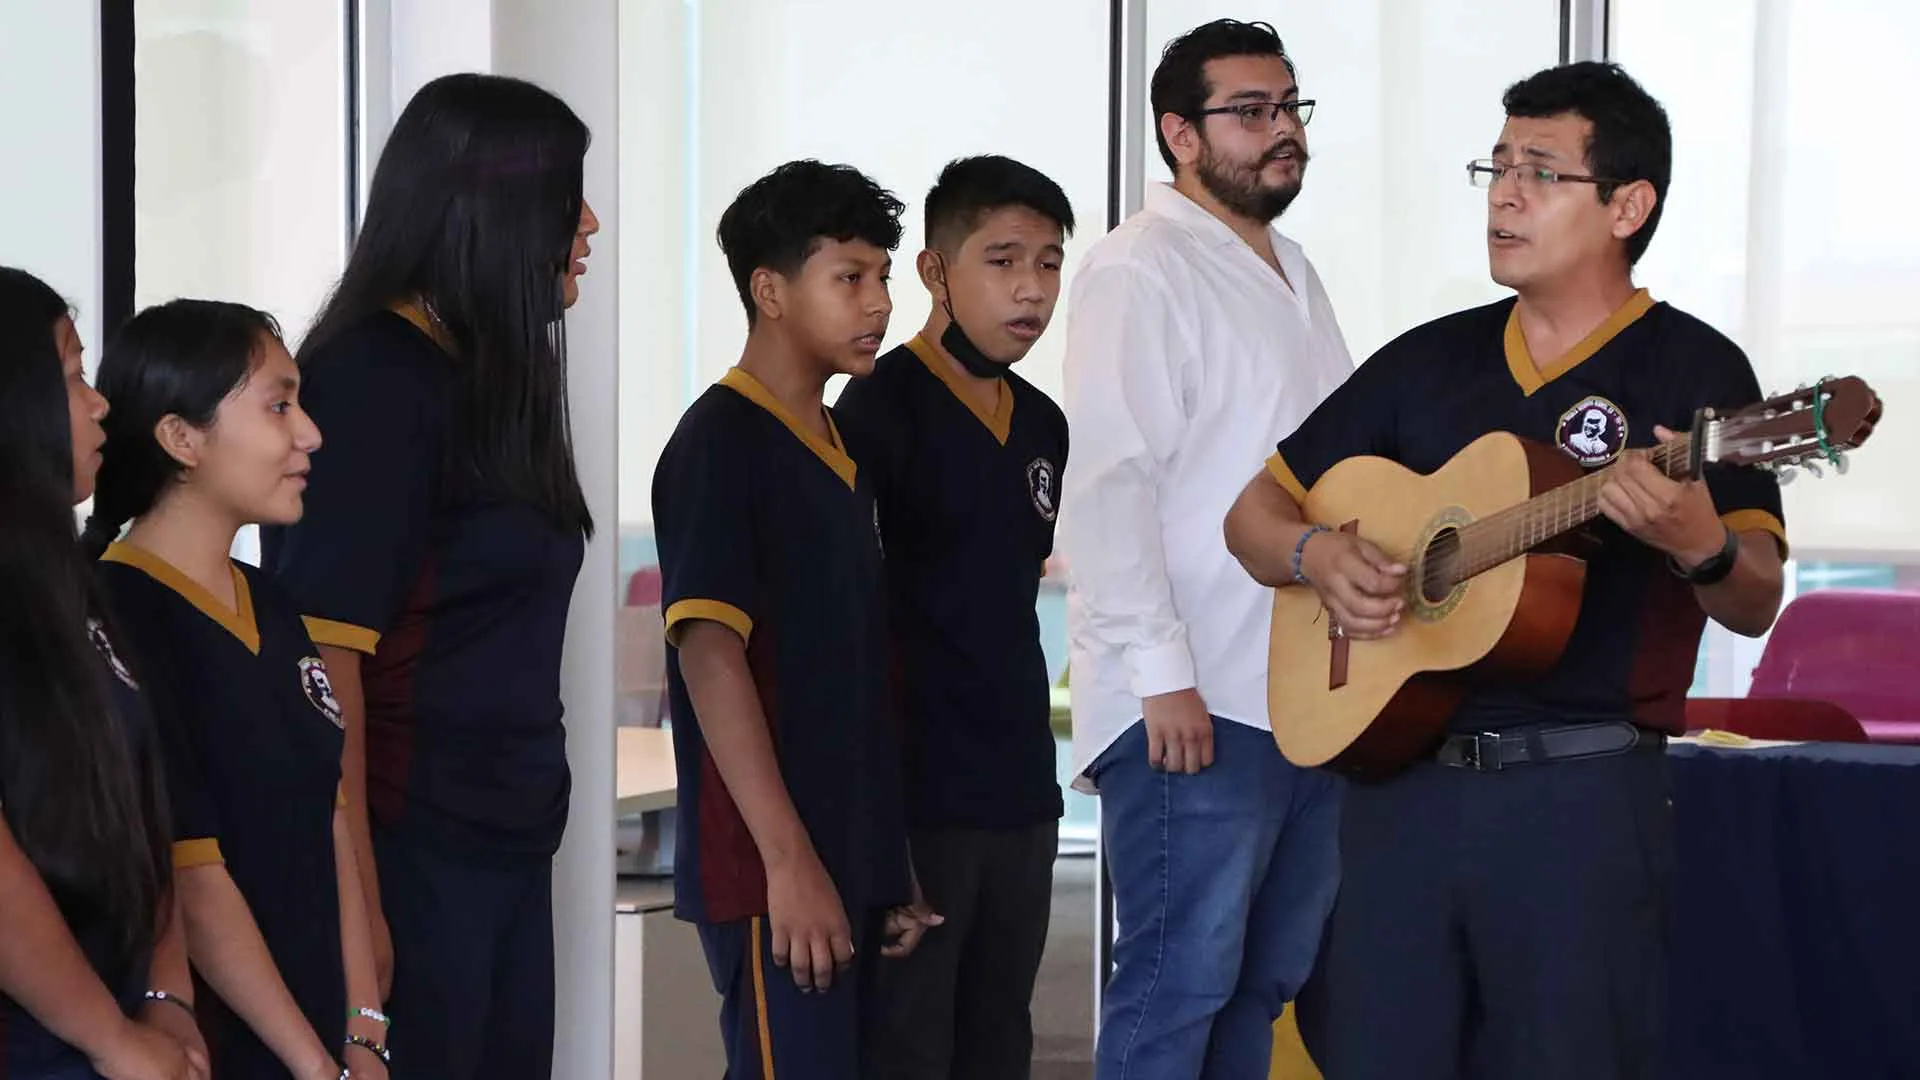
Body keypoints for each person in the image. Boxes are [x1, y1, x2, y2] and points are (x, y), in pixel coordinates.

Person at [1223, 61, 1788, 1079]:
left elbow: (1754, 599)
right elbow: (1254, 513)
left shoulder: (1696, 376)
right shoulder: (1427, 360)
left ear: (1629, 204)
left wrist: (1699, 544)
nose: (1505, 192)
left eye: (1540, 169)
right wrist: (1318, 553)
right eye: (1496, 164)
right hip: (1399, 798)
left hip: (1580, 799)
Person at [259, 72, 599, 1079]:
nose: (586, 223)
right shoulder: (372, 378)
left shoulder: (483, 373)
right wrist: (360, 914)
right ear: (491, 208)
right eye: (564, 196)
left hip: (504, 836)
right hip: (413, 850)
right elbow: (329, 661)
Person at [1058, 19, 1353, 1078]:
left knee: (1260, 986)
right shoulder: (1138, 268)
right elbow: (1107, 488)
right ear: (1180, 134)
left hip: (1304, 698)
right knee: (1178, 985)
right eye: (1252, 111)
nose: (1284, 132)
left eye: (1290, 108)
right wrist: (1160, 677)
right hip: (1193, 702)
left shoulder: (1293, 267)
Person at [654, 159, 936, 1079]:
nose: (878, 306)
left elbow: (855, 677)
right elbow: (710, 660)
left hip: (848, 858)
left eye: (883, 278)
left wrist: (883, 866)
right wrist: (791, 864)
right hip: (775, 872)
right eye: (849, 278)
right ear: (769, 290)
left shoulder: (839, 448)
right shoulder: (720, 444)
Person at [83, 300, 387, 1080]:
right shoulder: (122, 614)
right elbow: (194, 876)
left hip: (323, 1040)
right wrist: (313, 1064)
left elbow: (331, 822)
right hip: (224, 1046)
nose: (310, 432)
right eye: (279, 405)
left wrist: (363, 1030)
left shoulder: (273, 602)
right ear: (182, 438)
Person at [832, 154, 1074, 1080]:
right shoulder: (878, 412)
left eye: (1049, 264)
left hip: (1020, 788)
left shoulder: (1043, 421)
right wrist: (877, 834)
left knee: (999, 1038)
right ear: (935, 272)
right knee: (909, 1044)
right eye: (1003, 261)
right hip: (920, 797)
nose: (1030, 290)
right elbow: (852, 630)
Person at [0, 266, 204, 1080]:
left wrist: (167, 996)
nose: (98, 404)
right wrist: (111, 1038)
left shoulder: (64, 575)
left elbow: (135, 800)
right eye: (72, 377)